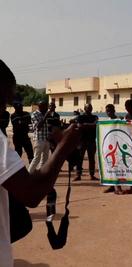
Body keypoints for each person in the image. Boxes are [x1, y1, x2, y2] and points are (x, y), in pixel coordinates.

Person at [0, 59, 81, 266]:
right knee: (37, 161)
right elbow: (31, 194)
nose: (3, 111)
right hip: (39, 140)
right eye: (2, 102)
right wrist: (64, 147)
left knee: (41, 162)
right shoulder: (35, 116)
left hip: (41, 144)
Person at [74, 104, 99, 181]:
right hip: (82, 141)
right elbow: (79, 126)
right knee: (79, 158)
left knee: (91, 159)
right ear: (84, 108)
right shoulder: (80, 117)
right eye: (88, 108)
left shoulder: (95, 117)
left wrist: (85, 125)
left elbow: (96, 125)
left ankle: (92, 175)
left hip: (91, 140)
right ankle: (78, 175)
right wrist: (91, 125)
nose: (89, 109)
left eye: (90, 108)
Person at [103, 104, 124, 194]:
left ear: (114, 110)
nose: (109, 113)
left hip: (118, 147)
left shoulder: (119, 120)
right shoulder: (106, 122)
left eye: (110, 110)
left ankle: (118, 187)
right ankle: (112, 186)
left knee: (117, 167)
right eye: (107, 111)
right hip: (109, 147)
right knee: (110, 167)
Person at [28, 101, 51, 173]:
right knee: (37, 158)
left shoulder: (45, 114)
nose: (47, 108)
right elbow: (38, 127)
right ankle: (29, 174)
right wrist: (45, 116)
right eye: (45, 106)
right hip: (39, 139)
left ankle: (40, 174)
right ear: (40, 107)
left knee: (45, 159)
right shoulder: (35, 114)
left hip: (46, 139)